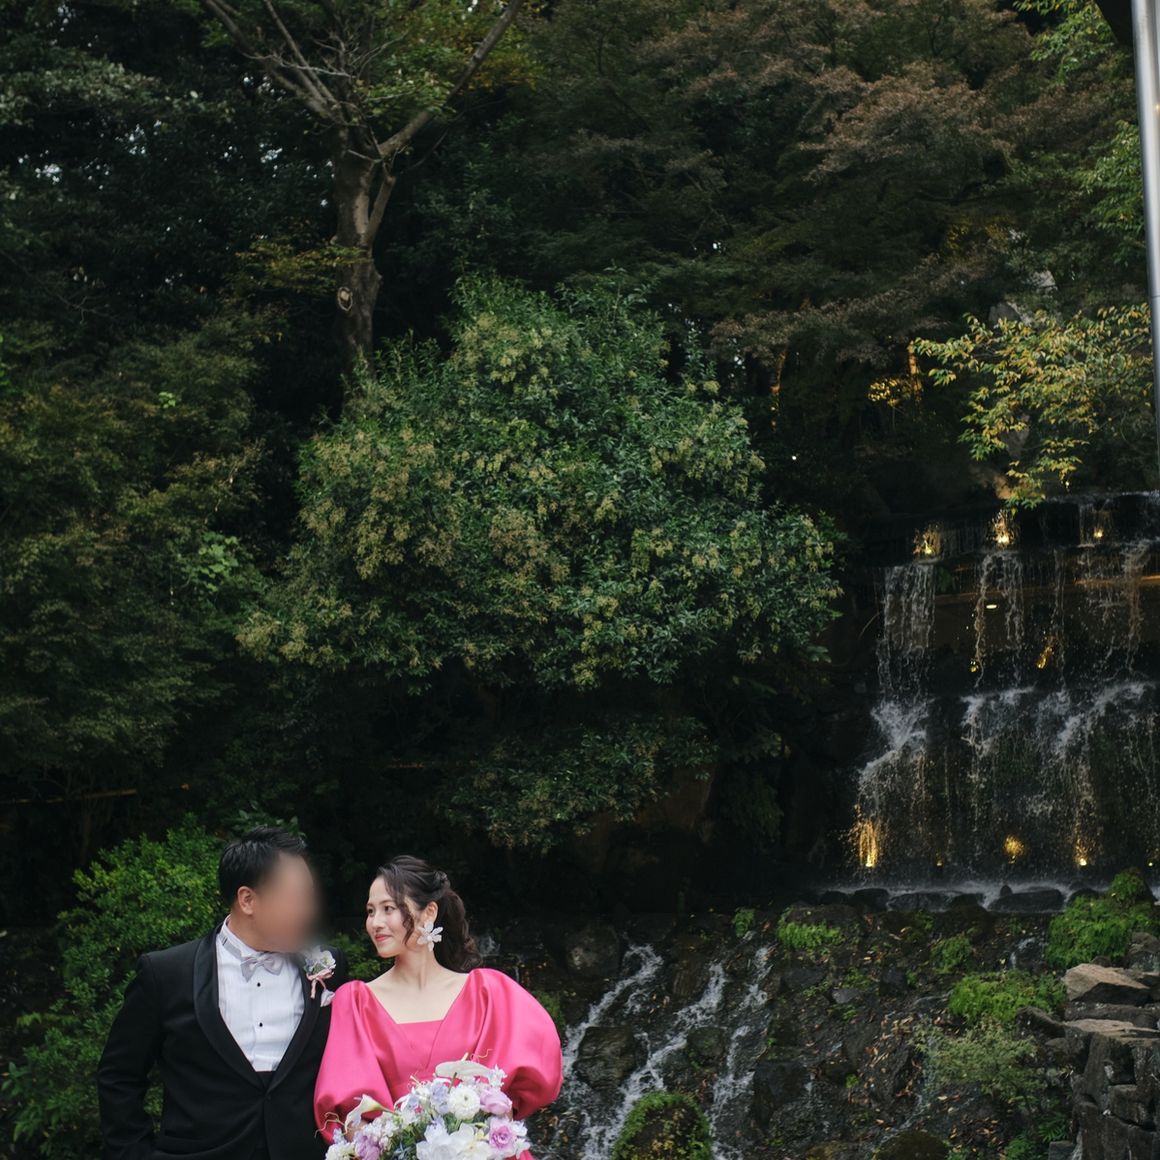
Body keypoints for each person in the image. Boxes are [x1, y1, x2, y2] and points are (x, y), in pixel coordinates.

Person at [98, 827, 347, 1160]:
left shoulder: (329, 967)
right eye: (296, 898)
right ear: (247, 900)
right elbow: (119, 1076)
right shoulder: (167, 973)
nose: (309, 912)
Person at [313, 855, 562, 1156]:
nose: (375, 923)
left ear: (429, 912)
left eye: (388, 909)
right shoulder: (355, 1003)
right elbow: (349, 1119)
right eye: (370, 911)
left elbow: (511, 1103)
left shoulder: (489, 994)